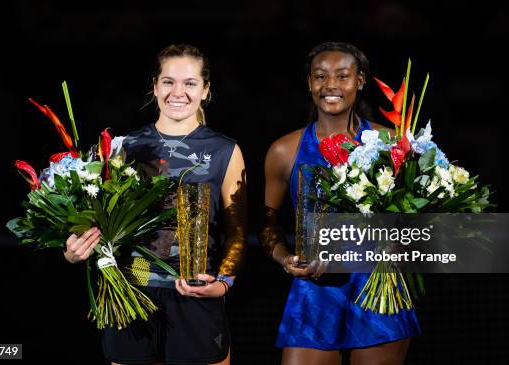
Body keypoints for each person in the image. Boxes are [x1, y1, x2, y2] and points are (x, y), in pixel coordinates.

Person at [64, 44, 247, 365]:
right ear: (154, 86)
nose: (178, 92)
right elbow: (92, 222)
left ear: (205, 90)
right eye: (168, 81)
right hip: (130, 294)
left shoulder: (225, 150)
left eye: (190, 83)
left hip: (195, 296)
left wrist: (224, 283)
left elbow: (237, 231)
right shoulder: (121, 147)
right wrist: (74, 248)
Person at [260, 42, 421, 365]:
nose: (330, 85)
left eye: (342, 76)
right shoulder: (284, 151)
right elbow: (268, 224)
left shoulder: (392, 144)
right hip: (314, 290)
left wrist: (396, 249)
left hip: (376, 287)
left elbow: (414, 221)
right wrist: (283, 257)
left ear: (360, 81)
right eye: (320, 76)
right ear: (309, 83)